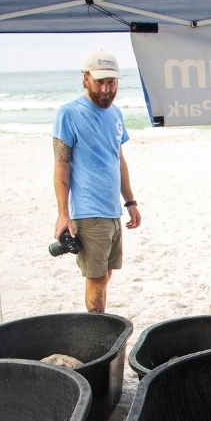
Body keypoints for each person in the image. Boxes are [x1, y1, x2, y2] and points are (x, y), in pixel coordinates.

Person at [52, 50, 143, 313]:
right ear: (86, 79)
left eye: (111, 82)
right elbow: (61, 164)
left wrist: (130, 201)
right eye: (100, 81)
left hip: (113, 209)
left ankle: (100, 326)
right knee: (96, 278)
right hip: (88, 211)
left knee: (106, 275)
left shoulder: (115, 113)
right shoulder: (68, 113)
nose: (106, 88)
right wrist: (63, 214)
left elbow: (118, 159)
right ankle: (98, 332)